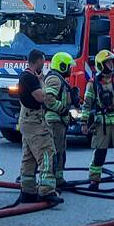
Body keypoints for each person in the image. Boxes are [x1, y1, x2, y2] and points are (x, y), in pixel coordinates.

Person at [16, 49, 61, 204]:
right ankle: (46, 191)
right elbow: (41, 97)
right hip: (34, 121)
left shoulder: (26, 76)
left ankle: (28, 191)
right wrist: (42, 81)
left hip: (27, 120)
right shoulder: (30, 78)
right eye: (43, 60)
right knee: (46, 154)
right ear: (38, 61)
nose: (45, 63)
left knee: (28, 156)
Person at [81, 50, 114, 194]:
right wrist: (84, 122)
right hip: (102, 124)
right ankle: (94, 180)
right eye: (108, 62)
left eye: (112, 62)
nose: (111, 64)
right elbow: (87, 104)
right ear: (101, 65)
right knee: (99, 154)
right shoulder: (93, 84)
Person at [43, 52, 75, 190]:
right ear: (62, 66)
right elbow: (48, 99)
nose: (70, 69)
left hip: (59, 122)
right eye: (68, 66)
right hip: (54, 121)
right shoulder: (54, 80)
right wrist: (63, 110)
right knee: (55, 151)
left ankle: (59, 179)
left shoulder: (59, 79)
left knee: (60, 150)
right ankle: (52, 182)